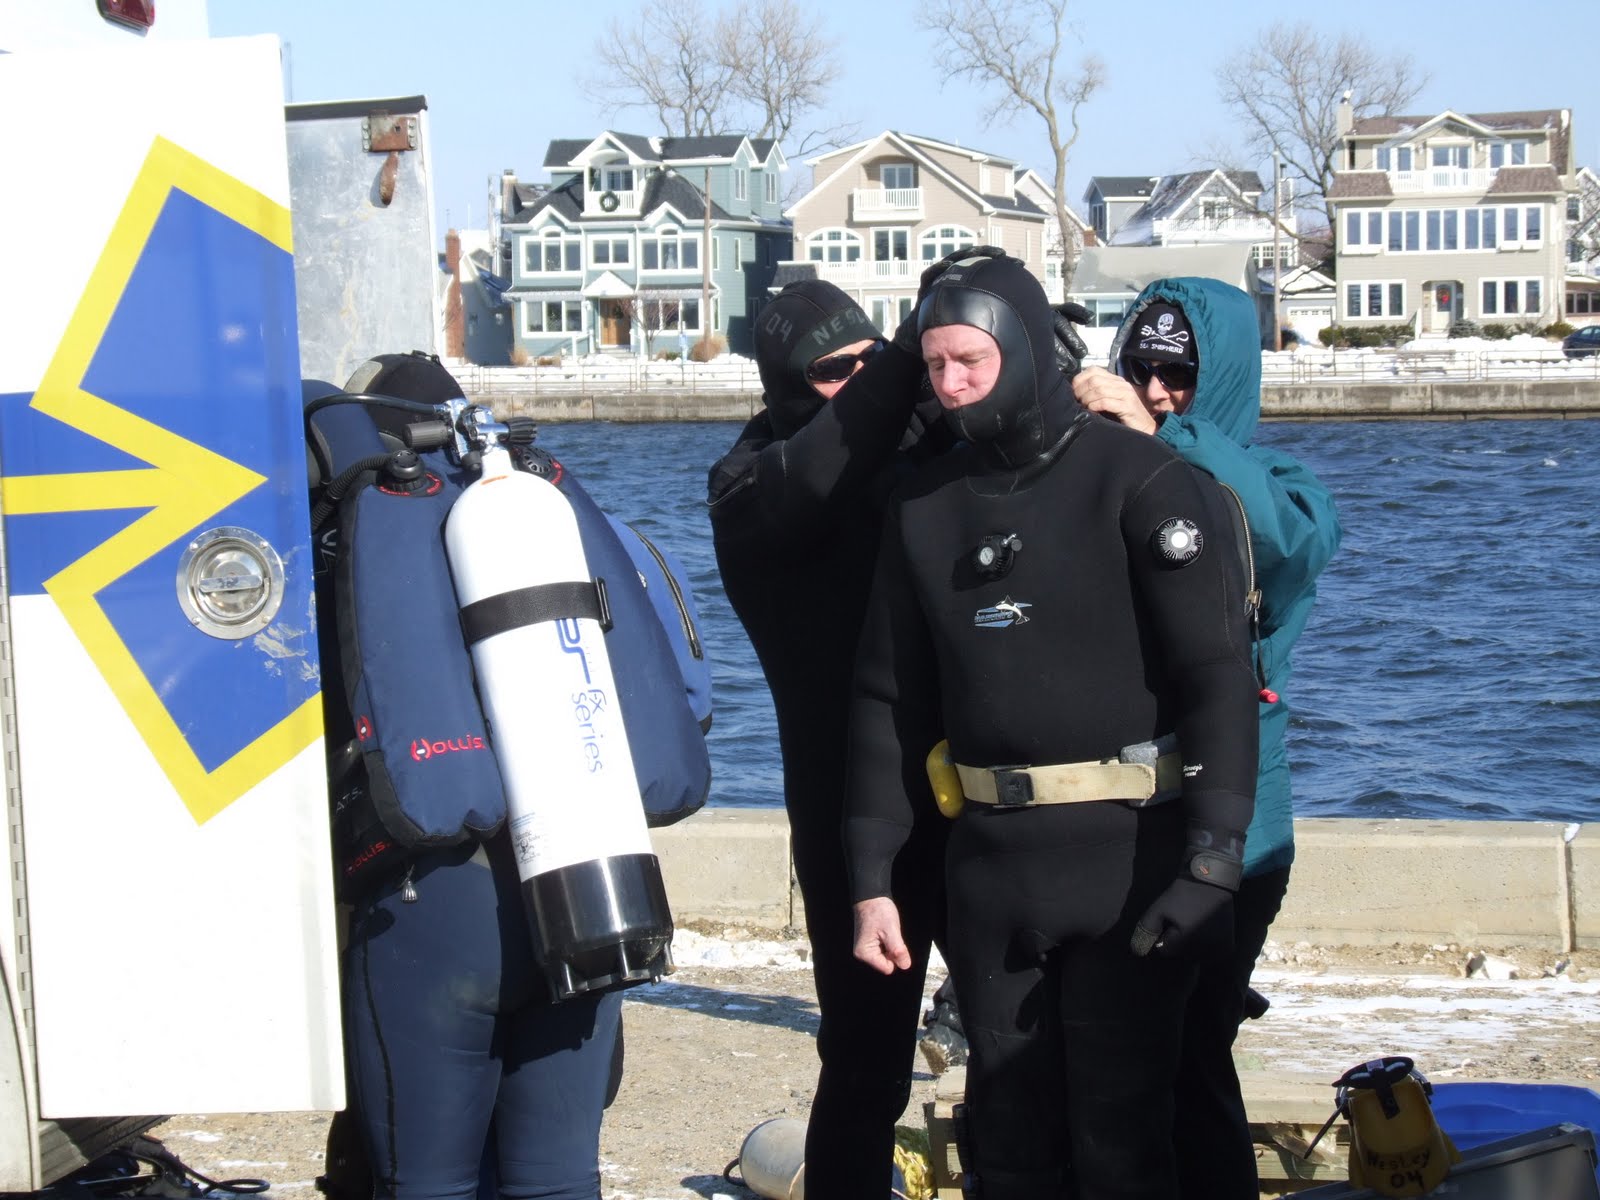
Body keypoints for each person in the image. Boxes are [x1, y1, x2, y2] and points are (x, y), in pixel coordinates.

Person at [846, 254, 1260, 1199]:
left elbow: (1218, 679)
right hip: (990, 875)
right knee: (1012, 1147)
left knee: (1124, 1148)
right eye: (935, 363)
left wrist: (1214, 858)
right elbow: (886, 704)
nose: (949, 385)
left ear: (1025, 352)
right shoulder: (922, 509)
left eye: (971, 362)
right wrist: (872, 879)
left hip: (1129, 867)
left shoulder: (1140, 479)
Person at [310, 352, 708, 1200]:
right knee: (561, 1178)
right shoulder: (557, 515)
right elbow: (687, 696)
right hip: (588, 881)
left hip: (436, 908)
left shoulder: (356, 539)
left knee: (427, 1182)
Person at [1074, 278, 1342, 1198]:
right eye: (1140, 371)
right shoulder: (1097, 477)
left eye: (1179, 377)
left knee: (1192, 1051)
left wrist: (1166, 444)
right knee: (1115, 1057)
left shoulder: (1286, 492)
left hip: (1237, 823)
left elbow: (1278, 541)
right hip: (1118, 806)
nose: (1154, 393)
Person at [707, 276, 958, 1199]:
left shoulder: (924, 440)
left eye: (866, 362)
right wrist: (896, 361)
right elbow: (811, 478)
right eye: (832, 370)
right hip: (851, 812)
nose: (857, 383)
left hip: (970, 789)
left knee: (1028, 1047)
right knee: (865, 1060)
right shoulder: (746, 483)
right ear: (781, 383)